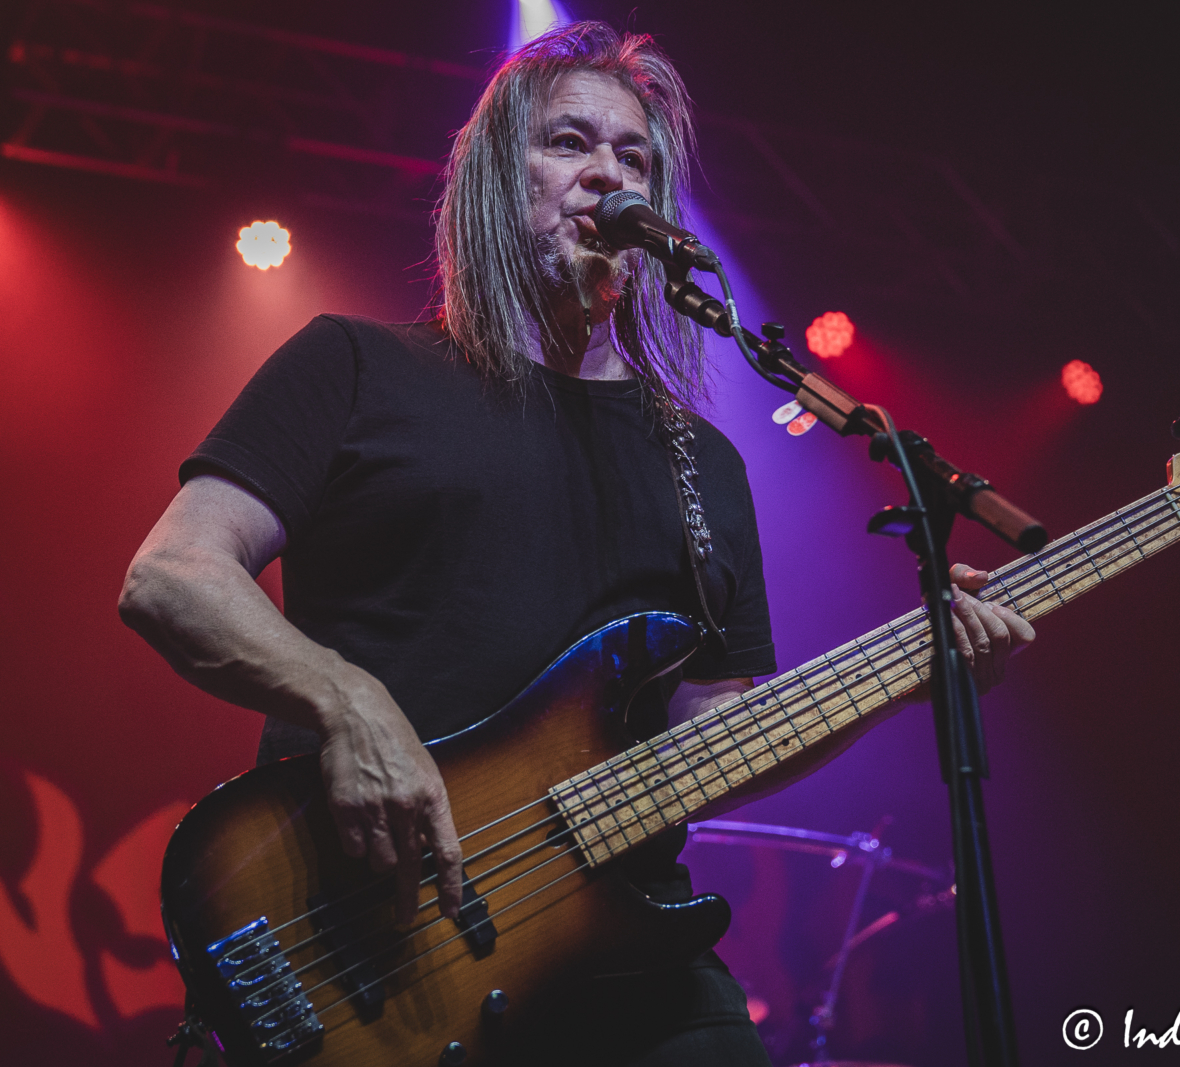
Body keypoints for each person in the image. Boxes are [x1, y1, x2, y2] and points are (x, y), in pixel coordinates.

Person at [117, 21, 1034, 1066]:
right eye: (569, 142)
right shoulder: (354, 368)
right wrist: (348, 703)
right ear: (497, 180)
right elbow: (172, 575)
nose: (607, 171)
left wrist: (913, 673)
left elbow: (713, 745)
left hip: (627, 963)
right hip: (369, 935)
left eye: (634, 155)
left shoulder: (701, 461)